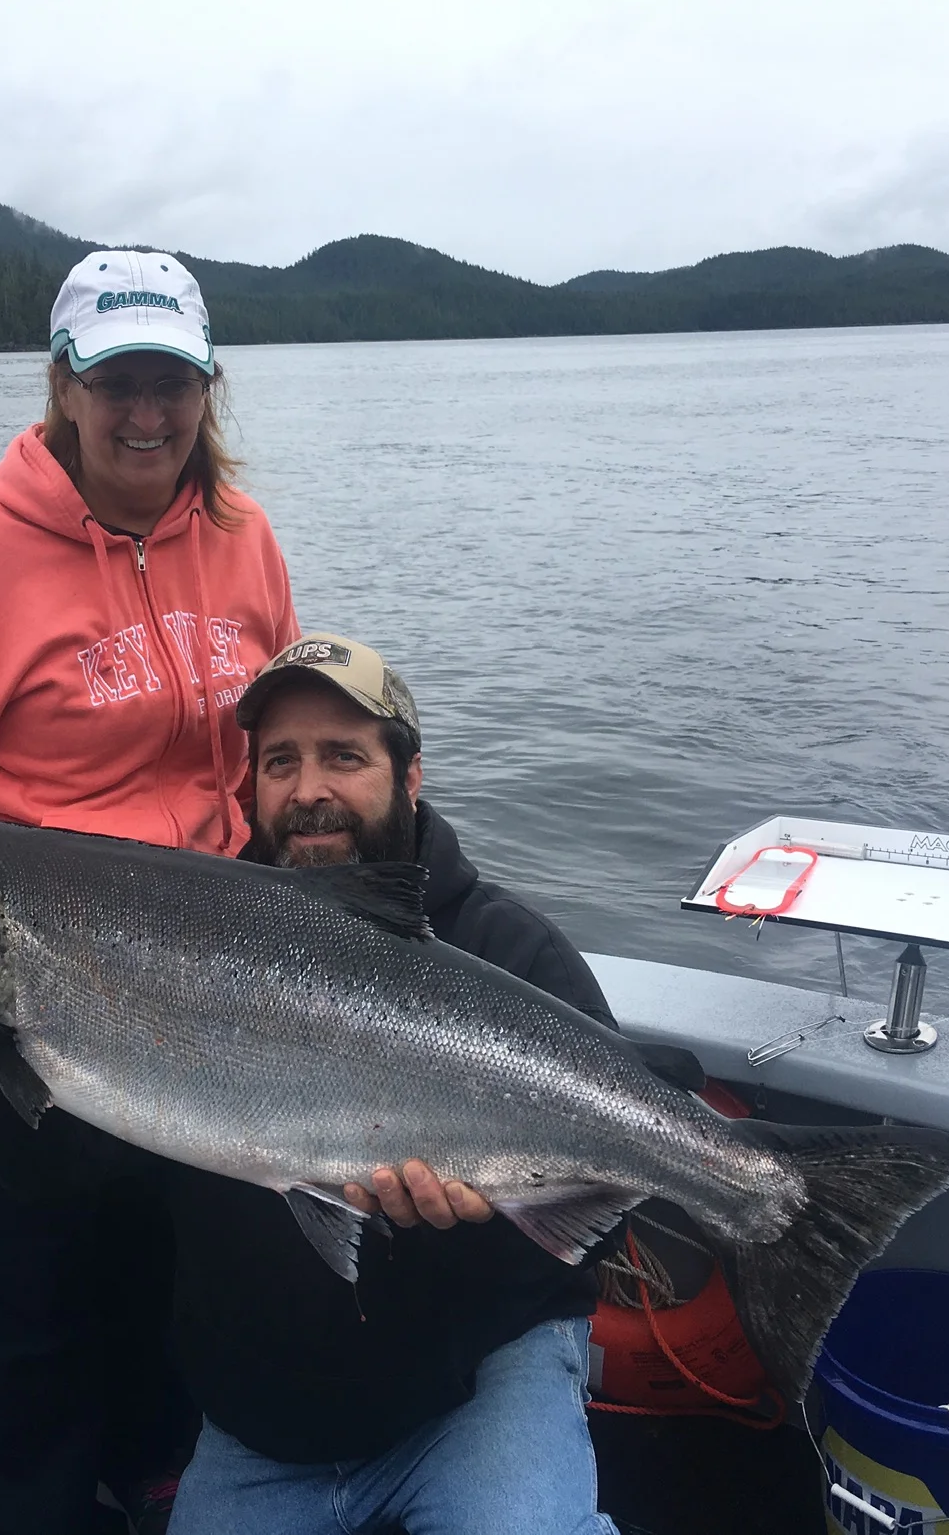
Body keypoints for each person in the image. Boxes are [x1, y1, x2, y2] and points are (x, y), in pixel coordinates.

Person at [0, 249, 299, 1535]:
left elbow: (261, 753)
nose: (146, 414)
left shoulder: (242, 539)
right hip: (11, 1017)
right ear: (63, 387)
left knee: (177, 1309)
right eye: (118, 383)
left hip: (202, 1010)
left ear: (209, 389)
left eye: (172, 383)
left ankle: (164, 1499)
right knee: (32, 1338)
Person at [160, 632, 703, 1535]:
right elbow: (74, 1169)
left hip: (480, 1379)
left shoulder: (513, 953)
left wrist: (464, 1232)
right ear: (248, 790)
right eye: (279, 762)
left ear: (410, 777)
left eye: (344, 755)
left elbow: (581, 1239)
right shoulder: (182, 950)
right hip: (266, 1423)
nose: (308, 791)